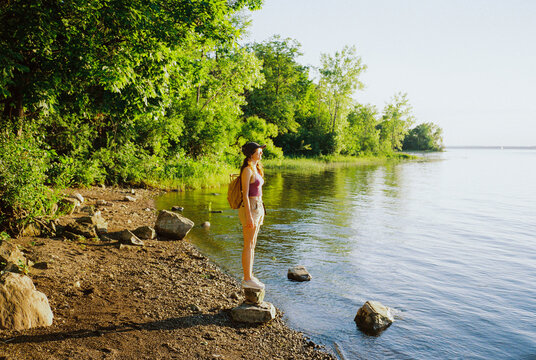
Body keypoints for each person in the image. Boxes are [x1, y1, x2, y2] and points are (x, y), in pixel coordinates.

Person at [239, 142, 266, 290]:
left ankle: (249, 275)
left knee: (252, 244)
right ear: (251, 154)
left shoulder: (256, 168)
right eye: (258, 151)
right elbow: (245, 196)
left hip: (258, 207)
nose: (261, 153)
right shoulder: (247, 171)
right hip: (250, 208)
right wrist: (249, 216)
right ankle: (247, 278)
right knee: (248, 244)